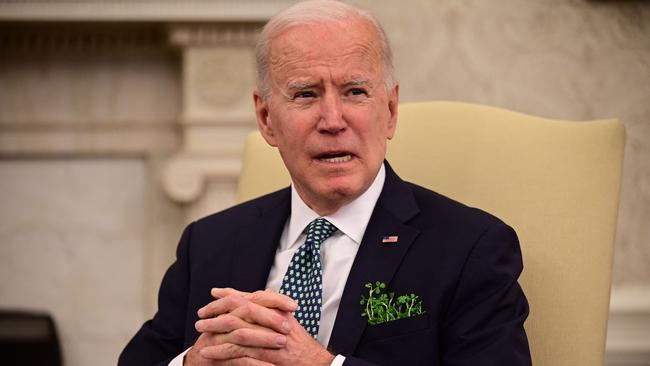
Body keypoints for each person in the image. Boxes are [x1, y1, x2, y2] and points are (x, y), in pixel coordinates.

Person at [119, 1, 532, 365]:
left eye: (355, 91)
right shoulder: (209, 243)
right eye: (305, 95)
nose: (333, 121)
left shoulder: (470, 248)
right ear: (266, 119)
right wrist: (195, 363)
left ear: (389, 111)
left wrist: (320, 365)